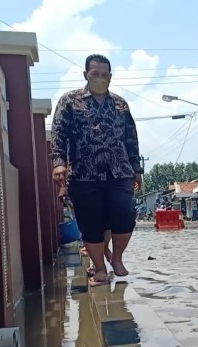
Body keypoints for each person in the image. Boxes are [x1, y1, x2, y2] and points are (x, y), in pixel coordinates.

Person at [51, 54, 143, 285]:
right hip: (84, 173)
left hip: (119, 172)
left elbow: (131, 138)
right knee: (91, 222)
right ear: (86, 75)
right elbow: (59, 133)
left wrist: (137, 169)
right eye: (95, 74)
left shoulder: (120, 104)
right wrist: (59, 162)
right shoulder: (70, 101)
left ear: (110, 77)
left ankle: (118, 258)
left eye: (105, 75)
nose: (100, 78)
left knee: (125, 216)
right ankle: (100, 269)